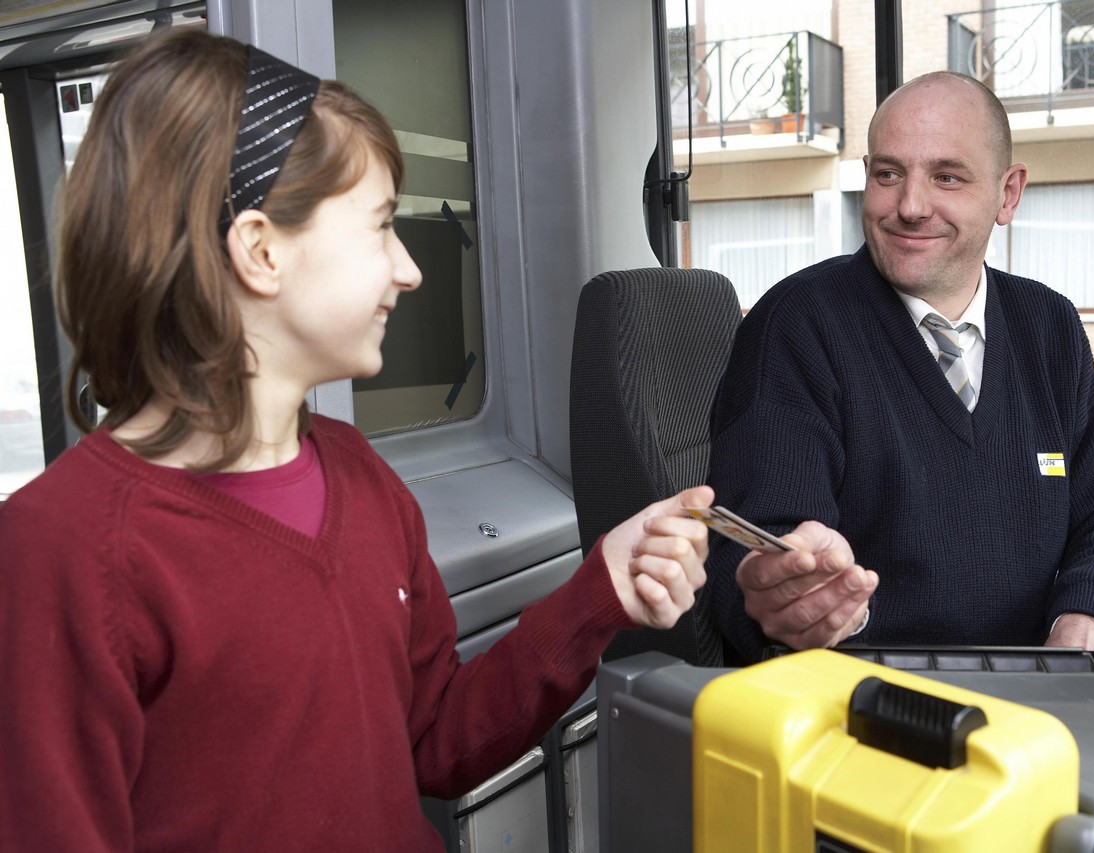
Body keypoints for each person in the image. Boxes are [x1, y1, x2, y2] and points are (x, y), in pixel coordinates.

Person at [0, 29, 713, 852]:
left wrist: (601, 590)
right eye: (380, 226)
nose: (408, 270)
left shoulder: (359, 475)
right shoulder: (63, 551)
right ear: (261, 251)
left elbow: (436, 737)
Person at [703, 71, 1094, 672]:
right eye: (887, 174)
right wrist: (779, 590)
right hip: (862, 705)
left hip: (1042, 700)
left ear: (1008, 194)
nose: (910, 206)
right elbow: (753, 540)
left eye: (947, 177)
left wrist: (1090, 619)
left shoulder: (1047, 325)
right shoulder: (798, 323)